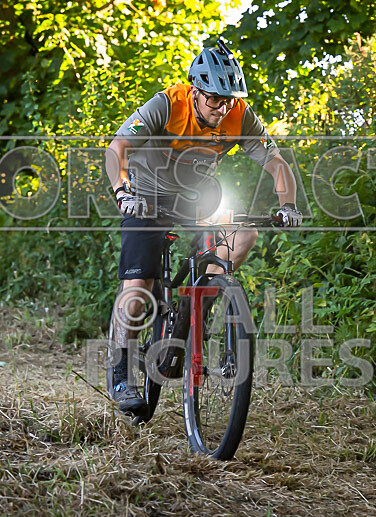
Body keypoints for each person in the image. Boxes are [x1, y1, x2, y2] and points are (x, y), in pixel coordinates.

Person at [104, 38, 302, 415]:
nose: (222, 107)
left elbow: (275, 161)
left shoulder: (238, 114)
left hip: (199, 198)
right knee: (137, 289)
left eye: (228, 99)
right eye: (214, 98)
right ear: (196, 91)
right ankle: (119, 375)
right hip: (146, 196)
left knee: (244, 234)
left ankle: (199, 302)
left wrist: (287, 204)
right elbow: (117, 149)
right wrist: (122, 190)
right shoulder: (167, 104)